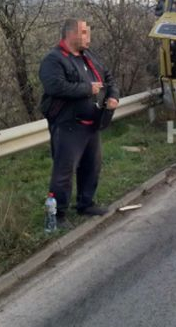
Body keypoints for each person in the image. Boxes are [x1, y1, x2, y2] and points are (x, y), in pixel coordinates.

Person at [39, 19, 119, 228]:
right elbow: (55, 86)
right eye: (84, 33)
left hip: (91, 123)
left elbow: (108, 78)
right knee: (64, 171)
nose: (88, 37)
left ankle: (86, 203)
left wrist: (113, 96)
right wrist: (87, 89)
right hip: (69, 125)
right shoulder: (54, 59)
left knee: (92, 166)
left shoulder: (88, 57)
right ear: (71, 34)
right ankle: (57, 215)